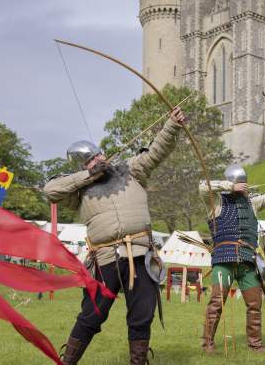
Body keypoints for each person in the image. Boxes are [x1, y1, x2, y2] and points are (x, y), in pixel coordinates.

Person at [44, 107, 186, 365]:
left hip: (140, 254)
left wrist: (172, 125)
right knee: (91, 316)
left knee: (142, 315)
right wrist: (89, 175)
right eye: (90, 159)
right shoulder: (77, 191)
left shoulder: (130, 169)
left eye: (98, 154)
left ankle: (138, 361)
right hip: (104, 258)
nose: (97, 159)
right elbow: (51, 190)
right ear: (81, 167)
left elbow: (156, 152)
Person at [199, 165, 265, 353]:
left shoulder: (252, 203)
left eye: (244, 184)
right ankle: (207, 343)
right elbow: (202, 186)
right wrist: (229, 187)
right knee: (216, 303)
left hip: (248, 261)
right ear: (231, 184)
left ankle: (255, 344)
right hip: (224, 260)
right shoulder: (215, 201)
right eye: (239, 184)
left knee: (255, 304)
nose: (243, 187)